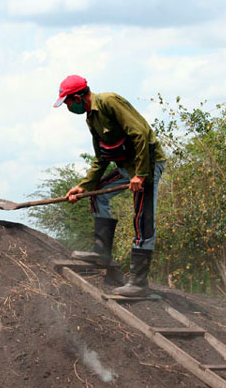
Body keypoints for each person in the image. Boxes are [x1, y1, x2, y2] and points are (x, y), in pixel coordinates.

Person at [53, 75, 167, 298]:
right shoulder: (91, 119)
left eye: (66, 102)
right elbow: (101, 158)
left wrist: (142, 175)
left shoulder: (109, 101)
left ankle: (139, 283)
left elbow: (140, 134)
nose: (67, 107)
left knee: (142, 219)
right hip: (127, 168)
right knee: (96, 194)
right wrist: (84, 187)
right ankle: (102, 252)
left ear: (77, 97)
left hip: (148, 165)